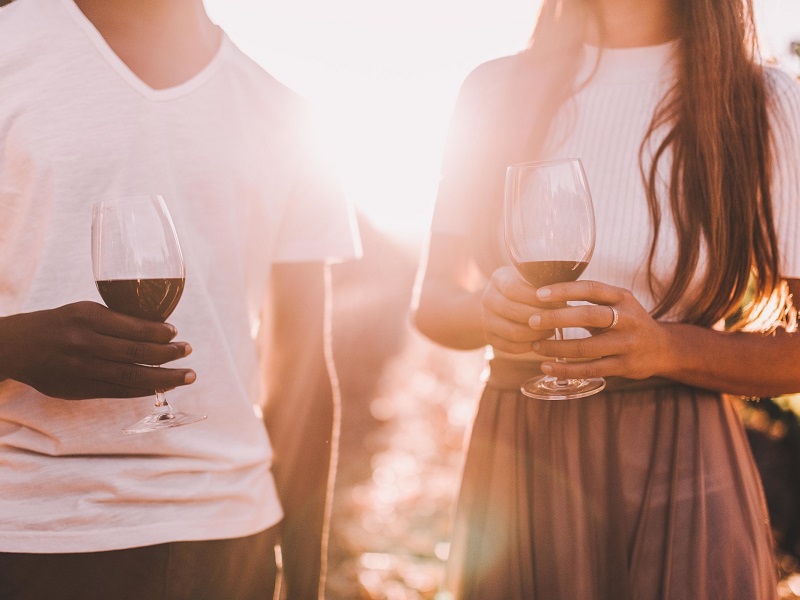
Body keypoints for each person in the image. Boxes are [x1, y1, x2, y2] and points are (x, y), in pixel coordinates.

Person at [413, 0, 800, 597]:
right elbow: (433, 305)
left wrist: (667, 348)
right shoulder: (493, 90)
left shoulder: (762, 101)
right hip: (519, 450)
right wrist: (486, 314)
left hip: (679, 460)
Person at [0, 0, 360, 598]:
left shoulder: (284, 112)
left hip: (229, 537)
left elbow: (302, 375)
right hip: (31, 534)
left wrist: (306, 583)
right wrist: (9, 347)